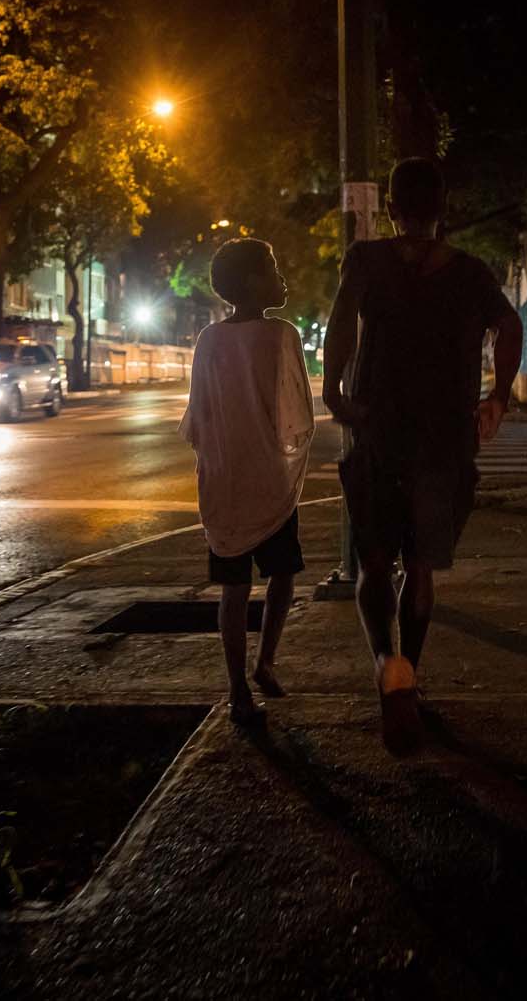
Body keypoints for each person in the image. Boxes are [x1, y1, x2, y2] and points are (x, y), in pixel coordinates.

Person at [323, 157, 523, 754]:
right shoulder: (469, 273)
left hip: (378, 430)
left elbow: (341, 325)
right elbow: (509, 327)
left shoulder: (366, 261)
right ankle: (410, 662)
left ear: (390, 208)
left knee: (373, 561)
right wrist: (499, 395)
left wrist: (335, 389)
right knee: (423, 567)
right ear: (442, 210)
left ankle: (386, 664)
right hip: (444, 437)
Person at [179, 238, 314, 728]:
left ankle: (240, 684)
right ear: (253, 282)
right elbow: (294, 414)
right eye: (273, 267)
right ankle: (263, 664)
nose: (281, 277)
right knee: (281, 577)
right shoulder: (282, 335)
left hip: (224, 480)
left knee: (234, 589)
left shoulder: (209, 340)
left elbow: (199, 416)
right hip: (269, 479)